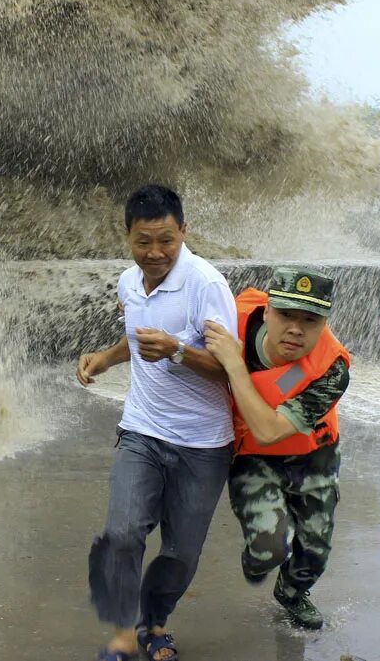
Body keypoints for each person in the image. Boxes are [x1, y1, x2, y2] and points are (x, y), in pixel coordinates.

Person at [77, 184, 236, 661]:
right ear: (127, 236)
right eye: (143, 241)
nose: (155, 253)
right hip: (142, 430)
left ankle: (155, 621)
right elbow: (137, 336)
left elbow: (231, 367)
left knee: (180, 552)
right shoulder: (128, 283)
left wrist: (178, 351)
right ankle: (123, 634)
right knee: (122, 532)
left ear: (183, 231)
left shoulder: (207, 285)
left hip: (203, 443)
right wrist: (105, 359)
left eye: (166, 240)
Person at [204, 268, 351, 630]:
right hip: (252, 455)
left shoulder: (331, 369)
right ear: (267, 311)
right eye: (285, 314)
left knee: (315, 547)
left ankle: (292, 593)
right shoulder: (232, 317)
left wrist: (235, 366)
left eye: (310, 320)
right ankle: (261, 558)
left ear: (324, 324)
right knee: (269, 548)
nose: (296, 329)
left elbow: (269, 430)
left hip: (313, 453)